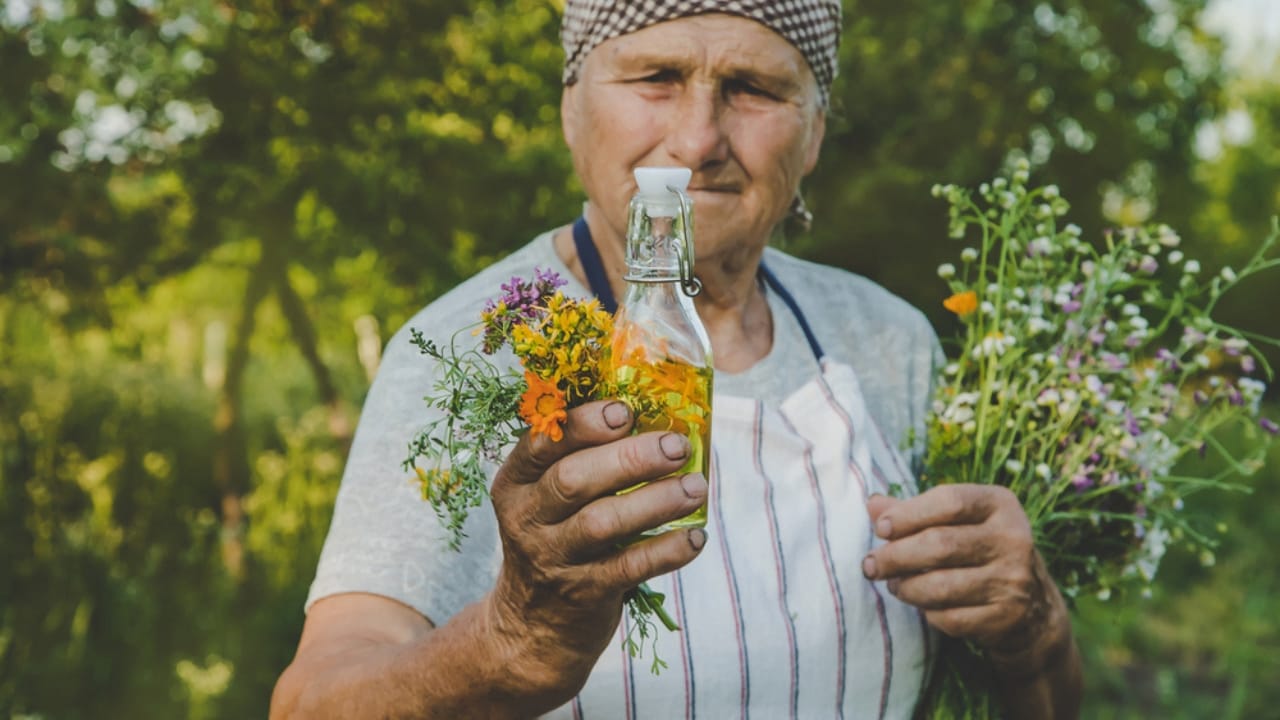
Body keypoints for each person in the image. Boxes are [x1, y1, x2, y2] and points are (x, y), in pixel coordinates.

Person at [271, 1, 1083, 717]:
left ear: (814, 134)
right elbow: (313, 703)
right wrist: (510, 644)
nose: (697, 142)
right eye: (655, 78)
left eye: (753, 89)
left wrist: (1034, 626)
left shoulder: (883, 337)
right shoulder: (467, 353)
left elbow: (1035, 699)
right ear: (572, 109)